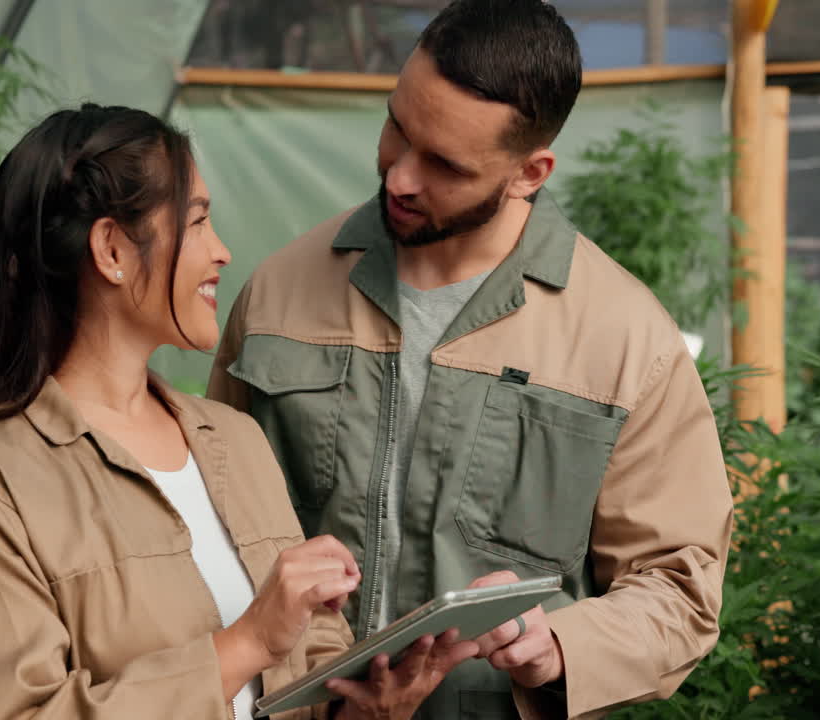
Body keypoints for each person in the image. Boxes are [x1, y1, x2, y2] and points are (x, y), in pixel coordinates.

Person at [205, 1, 736, 718]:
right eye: (398, 127)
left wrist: (558, 647)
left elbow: (679, 585)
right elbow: (205, 529)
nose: (398, 177)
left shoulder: (625, 341)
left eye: (444, 164)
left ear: (530, 172)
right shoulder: (276, 297)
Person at [0, 104, 479, 720]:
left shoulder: (234, 440)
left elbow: (311, 666)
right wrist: (248, 642)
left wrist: (371, 704)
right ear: (111, 249)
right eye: (199, 221)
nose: (222, 251)